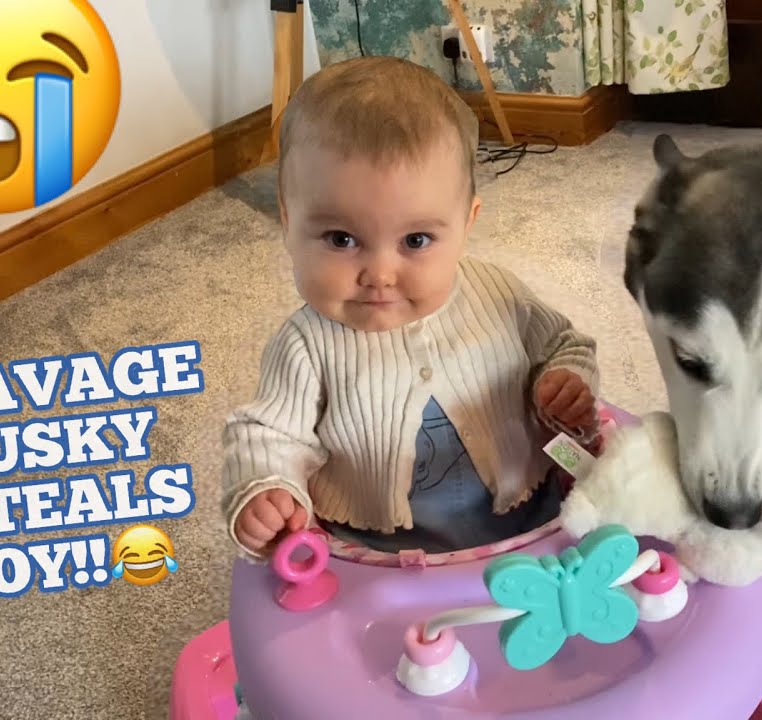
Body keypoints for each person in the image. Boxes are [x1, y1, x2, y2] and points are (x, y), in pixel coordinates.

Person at [221, 56, 600, 558]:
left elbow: (564, 344)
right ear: (288, 222)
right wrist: (267, 490)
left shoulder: (499, 294)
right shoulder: (305, 344)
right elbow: (267, 435)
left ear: (466, 224)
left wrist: (567, 380)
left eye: (416, 239)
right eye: (341, 238)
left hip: (531, 519)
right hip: (377, 550)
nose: (379, 274)